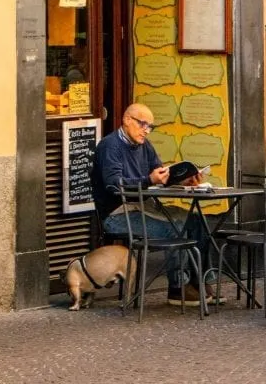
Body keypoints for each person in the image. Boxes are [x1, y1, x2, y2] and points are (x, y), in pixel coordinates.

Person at [91, 102, 223, 306]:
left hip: (145, 207)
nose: (146, 130)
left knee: (196, 220)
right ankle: (178, 288)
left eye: (150, 127)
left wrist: (183, 180)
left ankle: (201, 281)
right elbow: (114, 184)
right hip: (118, 214)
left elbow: (160, 174)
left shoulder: (144, 146)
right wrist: (148, 180)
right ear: (127, 120)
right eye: (143, 124)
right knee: (175, 228)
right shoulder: (110, 146)